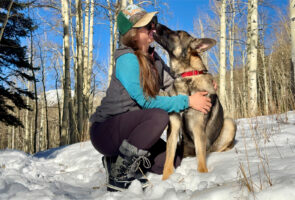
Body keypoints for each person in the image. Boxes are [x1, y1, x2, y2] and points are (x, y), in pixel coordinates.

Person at [89, 4, 213, 192]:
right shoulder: (127, 60)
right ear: (133, 34)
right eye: (148, 26)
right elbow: (146, 102)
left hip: (134, 131)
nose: (153, 28)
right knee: (158, 116)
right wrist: (188, 101)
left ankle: (114, 160)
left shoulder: (154, 59)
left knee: (173, 161)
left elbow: (174, 83)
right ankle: (119, 174)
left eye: (153, 23)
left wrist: (202, 80)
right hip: (107, 131)